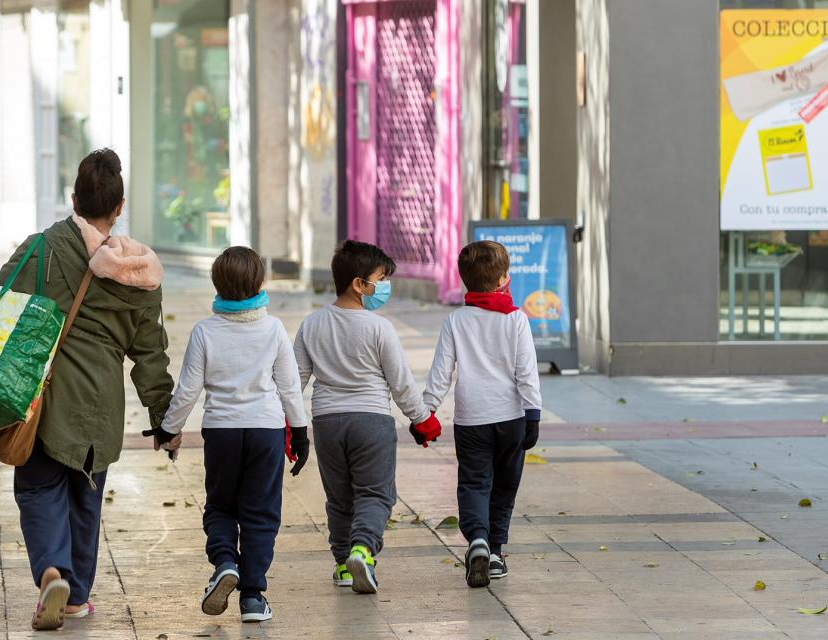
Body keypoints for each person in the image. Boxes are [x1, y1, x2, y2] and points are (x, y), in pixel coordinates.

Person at [0, 149, 174, 630]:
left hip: (44, 397)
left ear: (74, 199)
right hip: (100, 403)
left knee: (38, 487)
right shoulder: (140, 272)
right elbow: (149, 351)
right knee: (86, 496)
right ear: (119, 206)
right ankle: (76, 597)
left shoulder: (44, 247)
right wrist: (163, 418)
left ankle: (52, 570)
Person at [155, 246, 309, 623]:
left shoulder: (205, 331)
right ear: (259, 282)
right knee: (260, 512)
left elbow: (188, 390)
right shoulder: (273, 328)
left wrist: (169, 429)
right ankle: (253, 596)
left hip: (222, 432)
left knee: (221, 504)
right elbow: (289, 387)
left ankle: (225, 561)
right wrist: (301, 434)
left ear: (216, 284)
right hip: (267, 431)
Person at [292, 240, 441, 594]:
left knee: (339, 498)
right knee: (375, 494)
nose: (385, 286)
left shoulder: (312, 324)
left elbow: (293, 381)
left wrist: (286, 423)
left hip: (327, 422)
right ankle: (363, 549)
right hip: (371, 420)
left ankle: (344, 564)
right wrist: (422, 421)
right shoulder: (379, 328)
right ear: (359, 284)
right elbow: (401, 384)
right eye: (381, 278)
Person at [421, 240, 542, 588]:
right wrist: (533, 413)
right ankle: (496, 553)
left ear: (464, 281)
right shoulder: (516, 319)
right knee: (504, 486)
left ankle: (477, 540)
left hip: (471, 419)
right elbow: (526, 371)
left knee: (474, 483)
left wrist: (426, 411)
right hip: (512, 418)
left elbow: (440, 373)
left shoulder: (456, 320)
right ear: (503, 278)